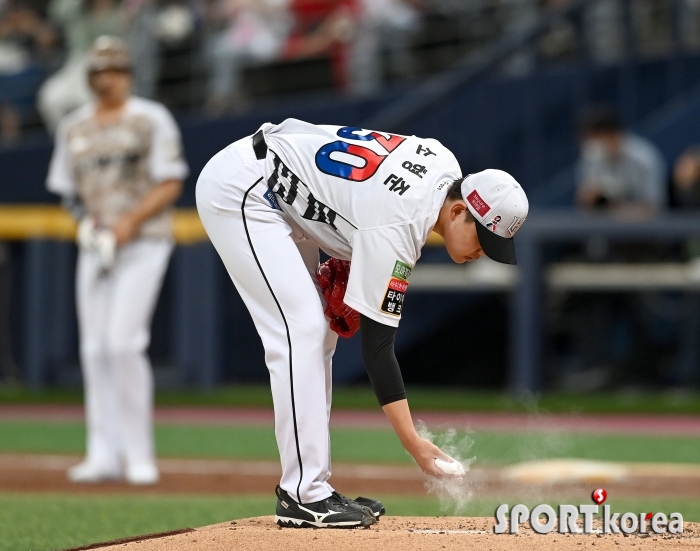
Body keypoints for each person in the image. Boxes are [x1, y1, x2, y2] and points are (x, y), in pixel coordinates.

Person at [195, 119, 529, 527]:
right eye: (484, 238)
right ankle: (304, 494)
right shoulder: (400, 227)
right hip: (243, 187)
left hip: (281, 185)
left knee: (319, 335)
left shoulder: (445, 163)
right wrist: (414, 443)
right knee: (302, 331)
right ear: (458, 210)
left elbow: (364, 197)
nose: (484, 252)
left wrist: (349, 241)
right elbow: (377, 348)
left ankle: (314, 487)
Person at [46, 36, 189, 484]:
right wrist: (86, 223)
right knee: (94, 347)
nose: (108, 78)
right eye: (101, 71)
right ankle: (101, 452)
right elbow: (67, 190)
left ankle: (138, 453)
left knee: (124, 343)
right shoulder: (74, 126)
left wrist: (128, 221)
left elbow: (170, 181)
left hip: (144, 239)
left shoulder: (151, 118)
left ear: (129, 74)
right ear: (89, 77)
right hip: (97, 244)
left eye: (117, 70)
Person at [576, 104, 666, 217]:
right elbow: (584, 205)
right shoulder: (590, 159)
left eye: (594, 139)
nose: (591, 146)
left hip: (645, 231)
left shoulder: (643, 158)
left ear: (610, 134)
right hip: (605, 230)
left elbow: (654, 210)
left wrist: (615, 210)